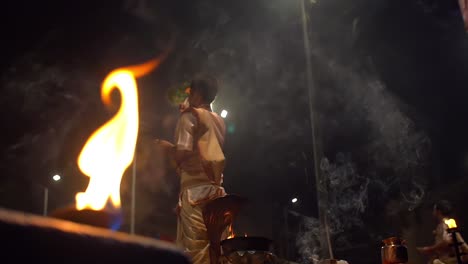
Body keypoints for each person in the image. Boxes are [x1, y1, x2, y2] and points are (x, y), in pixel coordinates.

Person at [155, 76, 227, 264]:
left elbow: (182, 153)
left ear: (197, 93)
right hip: (217, 194)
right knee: (216, 251)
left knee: (195, 253)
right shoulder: (219, 121)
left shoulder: (189, 117)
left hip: (195, 194)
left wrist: (165, 147)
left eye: (190, 93)